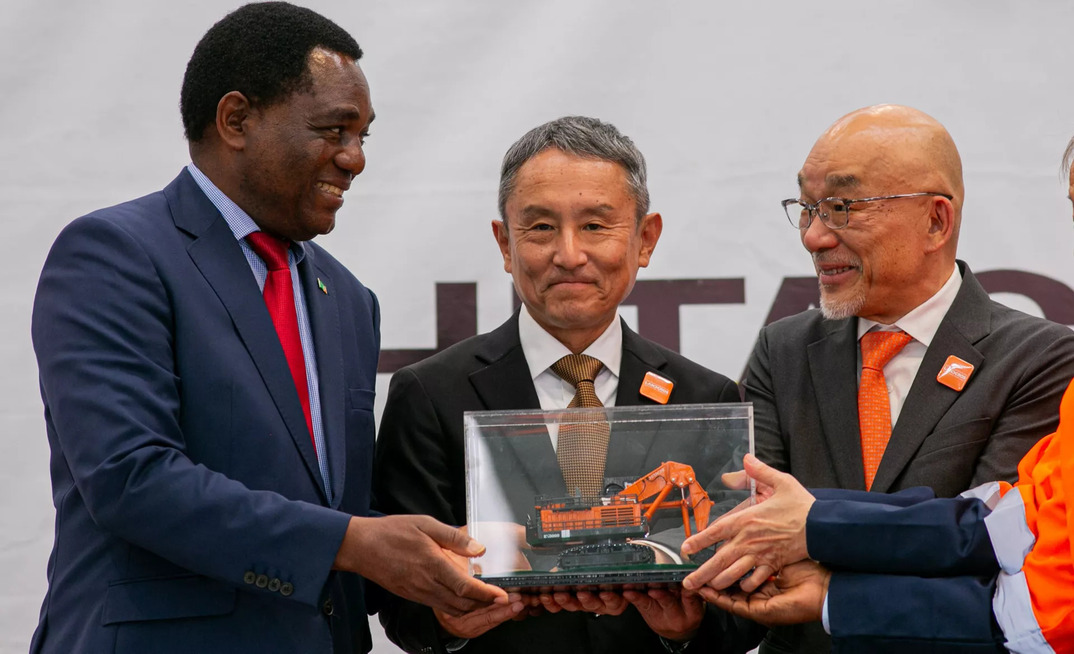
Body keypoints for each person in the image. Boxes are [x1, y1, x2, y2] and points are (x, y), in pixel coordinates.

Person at [29, 4, 504, 653]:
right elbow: (130, 477)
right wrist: (350, 542)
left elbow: (331, 510)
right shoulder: (115, 253)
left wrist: (440, 589)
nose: (355, 158)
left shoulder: (349, 301)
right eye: (334, 130)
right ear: (236, 120)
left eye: (364, 135)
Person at [374, 116, 761, 654]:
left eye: (596, 226)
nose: (570, 254)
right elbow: (396, 604)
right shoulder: (431, 394)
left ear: (645, 239)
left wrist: (686, 628)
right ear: (505, 243)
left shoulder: (705, 400)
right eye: (540, 228)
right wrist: (448, 618)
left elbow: (740, 613)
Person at [745, 104, 1074, 653]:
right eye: (807, 208)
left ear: (936, 221)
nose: (815, 236)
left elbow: (1005, 572)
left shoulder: (1043, 357)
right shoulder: (782, 350)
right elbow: (995, 523)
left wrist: (817, 536)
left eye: (844, 207)